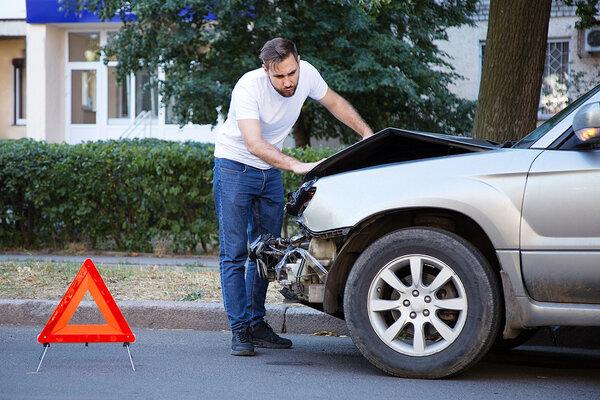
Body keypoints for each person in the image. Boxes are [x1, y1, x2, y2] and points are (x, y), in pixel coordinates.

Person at [213, 37, 373, 356]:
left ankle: (257, 324)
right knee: (234, 252)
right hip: (235, 167)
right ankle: (240, 330)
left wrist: (366, 134)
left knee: (267, 250)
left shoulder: (308, 74)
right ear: (266, 70)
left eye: (291, 73)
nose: (287, 82)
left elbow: (335, 103)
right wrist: (297, 165)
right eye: (279, 76)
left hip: (269, 172)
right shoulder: (248, 88)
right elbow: (255, 144)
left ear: (298, 62)